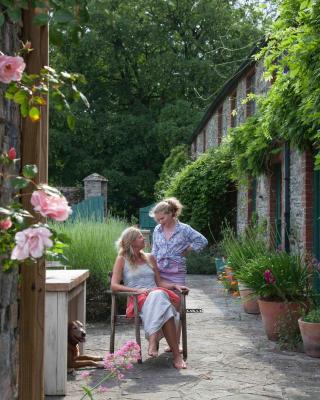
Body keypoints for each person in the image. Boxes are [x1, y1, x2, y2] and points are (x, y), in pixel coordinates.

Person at [111, 226, 187, 369]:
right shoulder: (122, 259)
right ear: (131, 241)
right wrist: (138, 290)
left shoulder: (150, 257)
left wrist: (175, 285)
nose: (143, 238)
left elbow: (159, 283)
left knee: (158, 295)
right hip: (137, 299)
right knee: (164, 305)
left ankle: (153, 339)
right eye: (140, 236)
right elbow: (114, 286)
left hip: (157, 295)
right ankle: (177, 356)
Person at [150, 197, 208, 351]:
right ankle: (158, 340)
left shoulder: (184, 229)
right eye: (157, 219)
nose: (160, 222)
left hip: (177, 273)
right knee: (160, 306)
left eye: (162, 218)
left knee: (177, 308)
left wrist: (188, 249)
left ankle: (176, 342)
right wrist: (152, 266)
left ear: (171, 214)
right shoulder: (157, 230)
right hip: (160, 272)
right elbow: (154, 250)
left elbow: (202, 241)